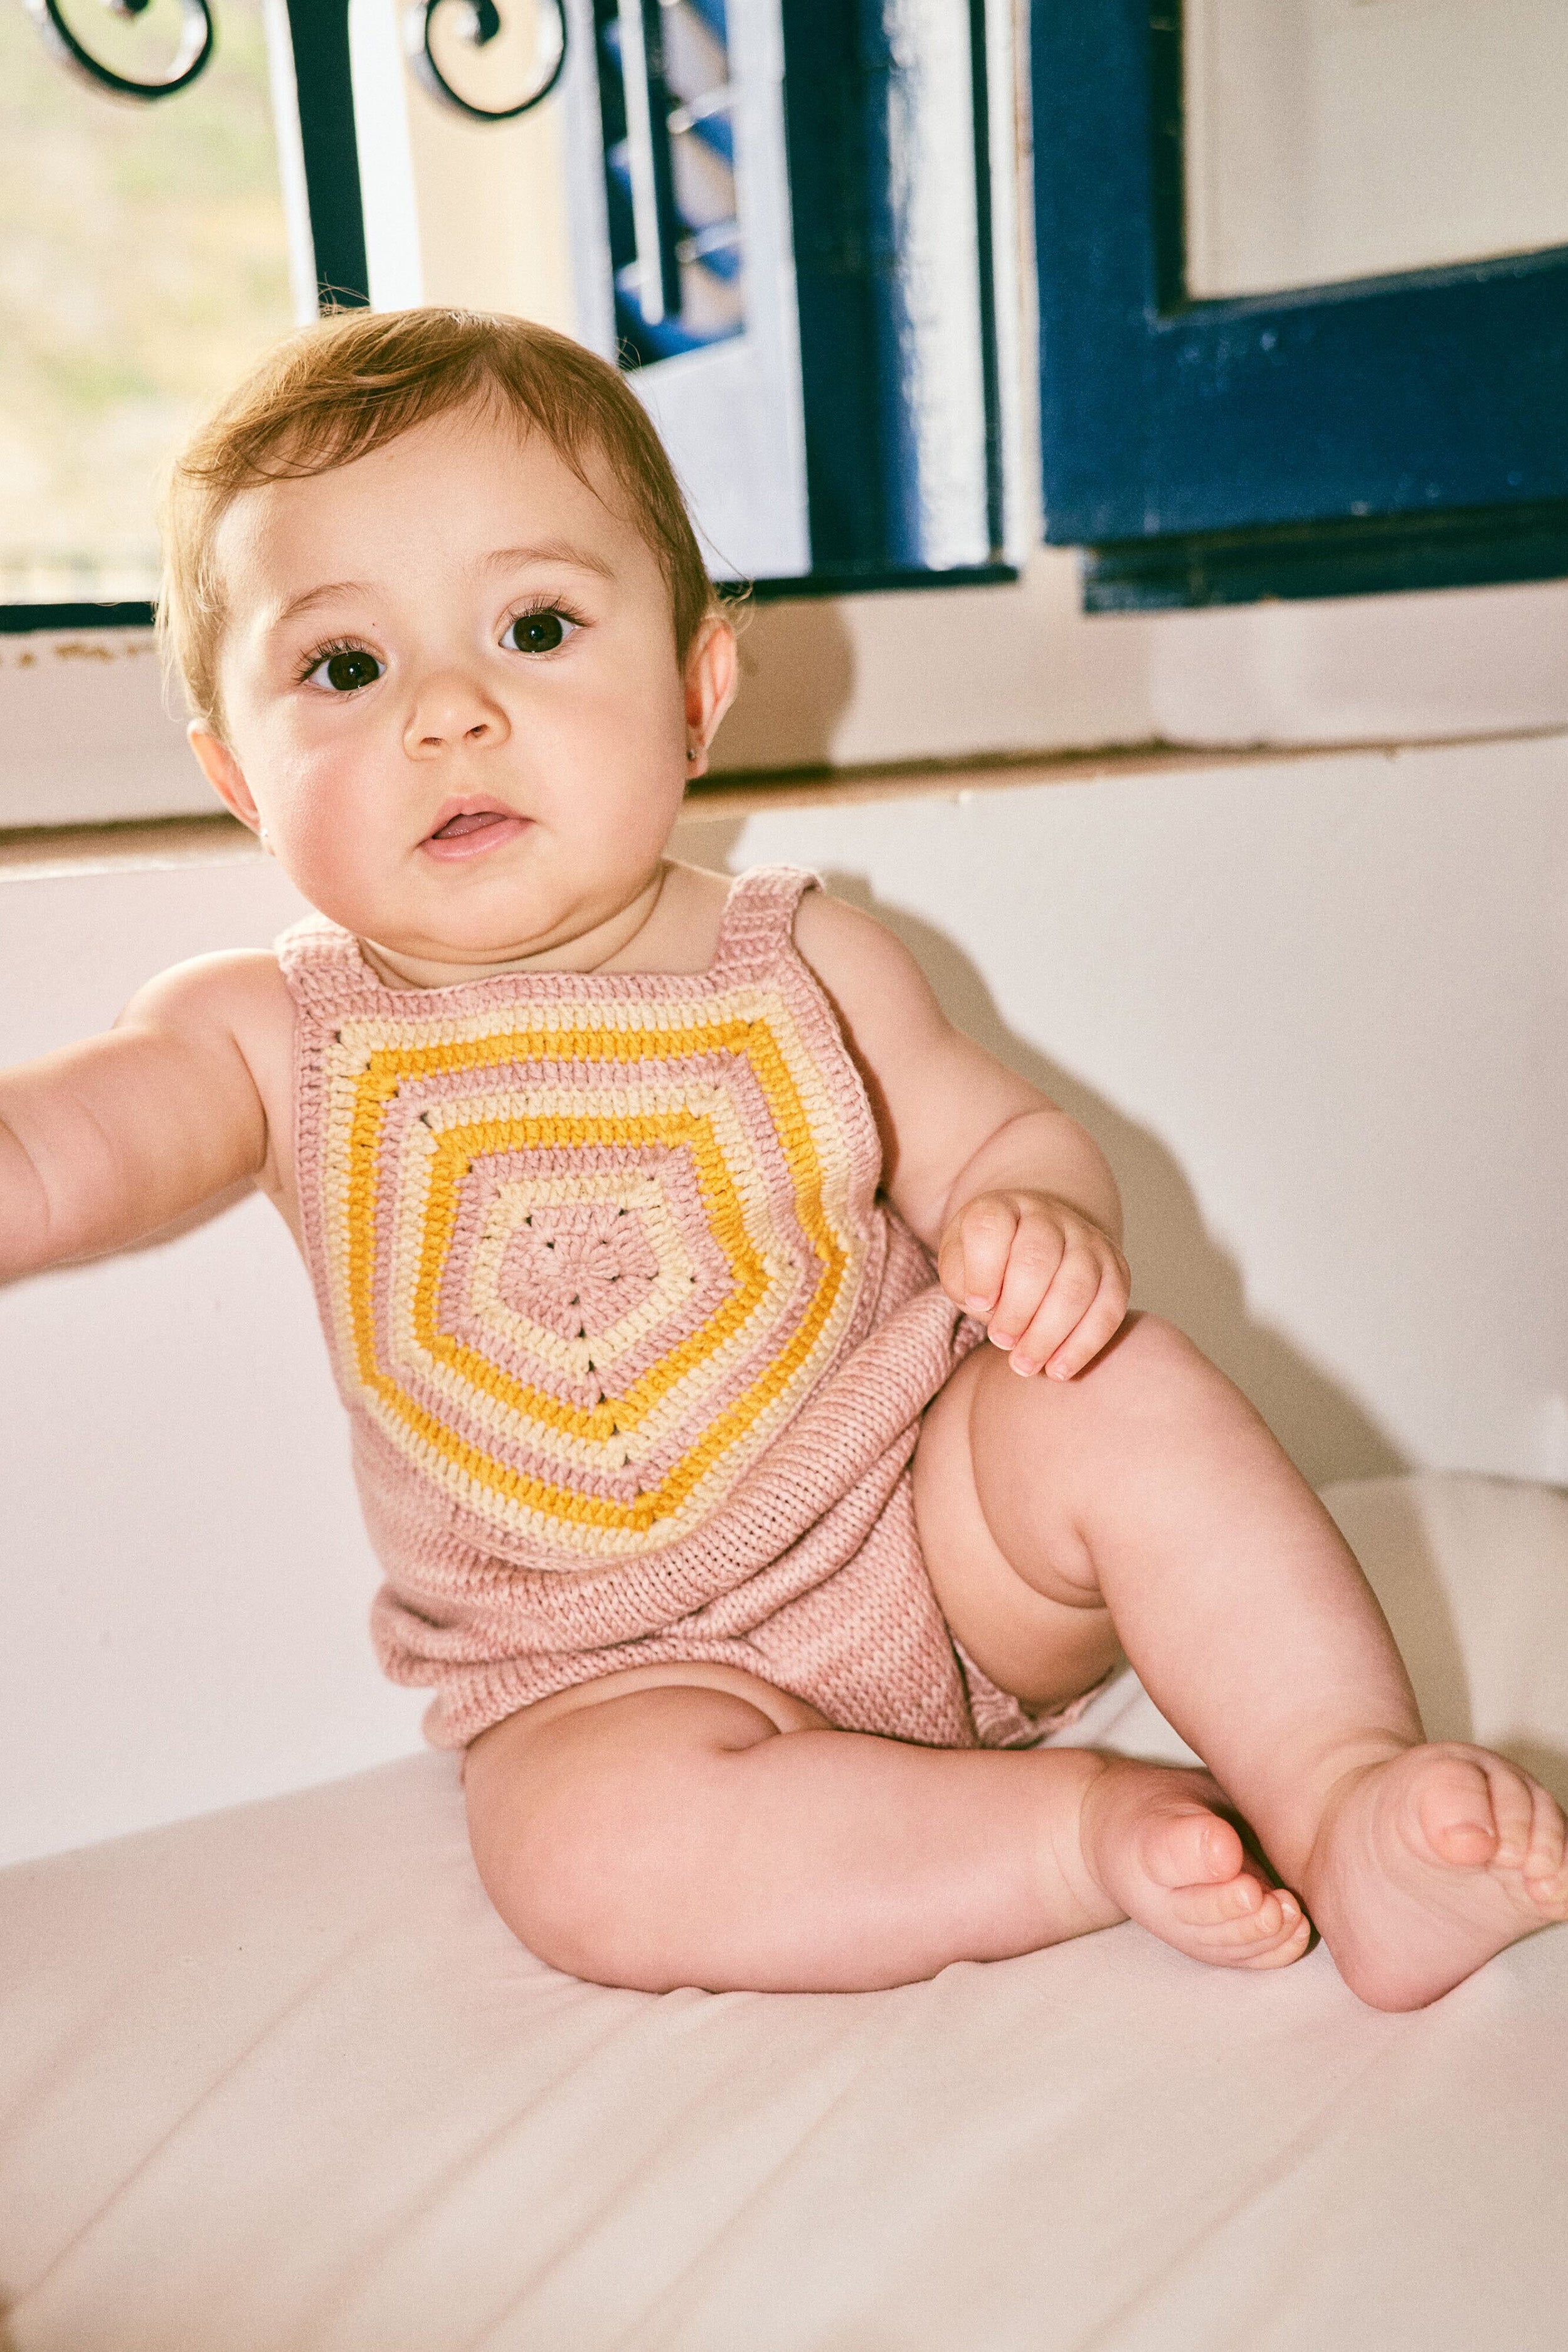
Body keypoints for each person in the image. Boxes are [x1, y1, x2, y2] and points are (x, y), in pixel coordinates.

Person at [4, 309, 1562, 2009]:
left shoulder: (801, 959)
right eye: (346, 668)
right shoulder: (267, 1031)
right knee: (579, 1859)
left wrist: (1033, 1215)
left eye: (535, 629)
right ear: (240, 780)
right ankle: (1077, 1836)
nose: (448, 713)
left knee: (1116, 1391)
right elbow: (65, 1151)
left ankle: (1340, 1796)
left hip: (938, 1543)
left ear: (694, 691)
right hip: (603, 1673)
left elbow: (1002, 1137)